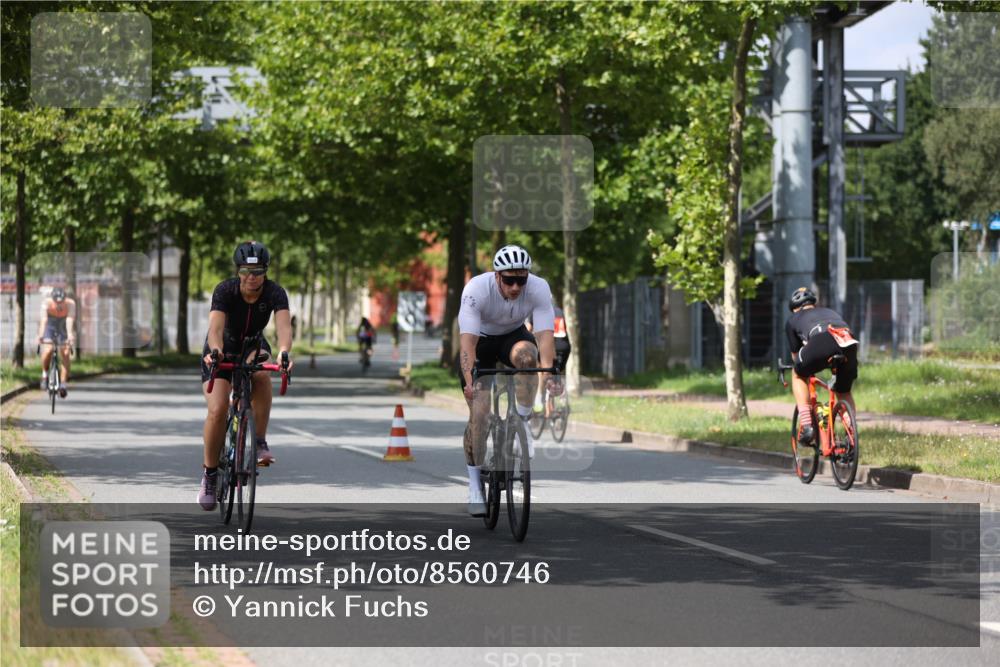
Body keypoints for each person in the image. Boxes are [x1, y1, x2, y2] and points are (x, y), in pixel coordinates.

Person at [458, 245, 561, 517]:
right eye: (509, 280)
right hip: (480, 342)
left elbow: (545, 336)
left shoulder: (539, 288)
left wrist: (549, 375)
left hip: (513, 337)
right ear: (496, 276)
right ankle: (474, 486)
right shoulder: (476, 290)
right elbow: (467, 343)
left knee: (529, 361)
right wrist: (470, 381)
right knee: (479, 413)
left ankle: (523, 421)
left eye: (521, 279)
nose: (516, 286)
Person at [198, 241, 294, 510]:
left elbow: (284, 329)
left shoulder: (275, 292)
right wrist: (215, 351)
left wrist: (284, 353)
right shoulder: (225, 290)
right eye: (245, 271)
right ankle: (210, 474)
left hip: (253, 345)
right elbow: (215, 329)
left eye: (258, 271)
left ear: (266, 271)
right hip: (222, 348)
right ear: (238, 271)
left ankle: (259, 441)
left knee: (262, 375)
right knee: (217, 410)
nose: (252, 278)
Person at [785, 287, 859, 445]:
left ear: (795, 308)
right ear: (812, 304)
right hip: (848, 340)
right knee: (843, 391)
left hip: (823, 339)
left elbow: (795, 356)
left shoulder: (793, 319)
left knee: (798, 373)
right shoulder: (829, 311)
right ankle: (852, 435)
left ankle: (806, 426)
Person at [36, 287, 75, 398]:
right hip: (50, 324)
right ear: (52, 299)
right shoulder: (46, 303)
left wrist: (70, 335)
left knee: (66, 353)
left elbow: (69, 319)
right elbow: (44, 320)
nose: (59, 304)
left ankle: (63, 385)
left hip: (63, 324)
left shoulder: (70, 304)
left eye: (61, 302)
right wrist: (41, 335)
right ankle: (44, 374)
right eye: (56, 302)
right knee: (48, 350)